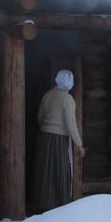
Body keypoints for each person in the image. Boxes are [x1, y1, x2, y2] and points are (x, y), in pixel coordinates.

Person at [32, 69, 85, 213]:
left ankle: (43, 203)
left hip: (44, 137)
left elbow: (40, 117)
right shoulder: (67, 99)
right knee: (61, 170)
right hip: (58, 139)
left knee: (45, 170)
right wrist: (79, 144)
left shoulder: (47, 95)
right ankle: (61, 205)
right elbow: (70, 123)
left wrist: (46, 127)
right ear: (69, 83)